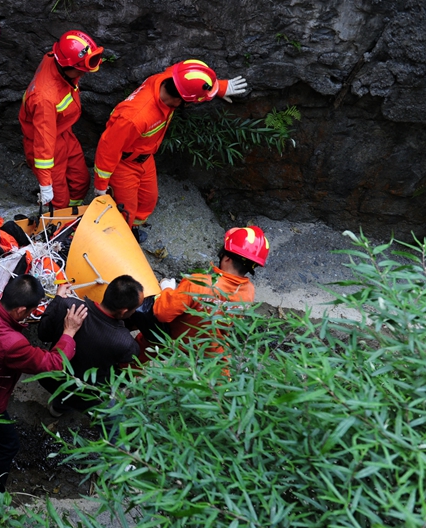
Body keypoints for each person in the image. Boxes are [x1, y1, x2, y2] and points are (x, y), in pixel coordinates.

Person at [0, 249, 87, 493]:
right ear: (21, 311)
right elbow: (53, 364)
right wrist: (69, 332)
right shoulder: (13, 344)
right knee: (7, 445)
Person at [92, 60, 248, 242]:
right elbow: (108, 148)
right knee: (125, 209)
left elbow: (188, 79)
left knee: (148, 200)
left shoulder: (167, 80)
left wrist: (219, 87)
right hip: (124, 164)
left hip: (144, 157)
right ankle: (118, 240)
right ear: (181, 100)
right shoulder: (134, 117)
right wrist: (101, 186)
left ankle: (132, 229)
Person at [141, 226, 269, 351]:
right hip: (207, 351)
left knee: (143, 342)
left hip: (174, 342)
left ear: (227, 257)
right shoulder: (248, 292)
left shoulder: (198, 284)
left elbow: (162, 313)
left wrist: (167, 289)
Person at [37, 275, 144, 416]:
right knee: (73, 401)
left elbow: (43, 334)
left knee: (61, 396)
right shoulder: (126, 344)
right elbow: (121, 375)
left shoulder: (69, 307)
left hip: (50, 377)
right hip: (82, 392)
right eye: (135, 308)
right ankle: (58, 409)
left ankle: (57, 408)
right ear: (124, 311)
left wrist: (57, 301)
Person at [19, 30, 102, 209]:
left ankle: (71, 212)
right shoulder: (45, 99)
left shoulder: (55, 58)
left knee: (81, 182)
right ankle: (58, 220)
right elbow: (43, 144)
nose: (83, 75)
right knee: (58, 200)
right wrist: (45, 183)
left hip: (63, 133)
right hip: (48, 145)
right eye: (81, 71)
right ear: (68, 66)